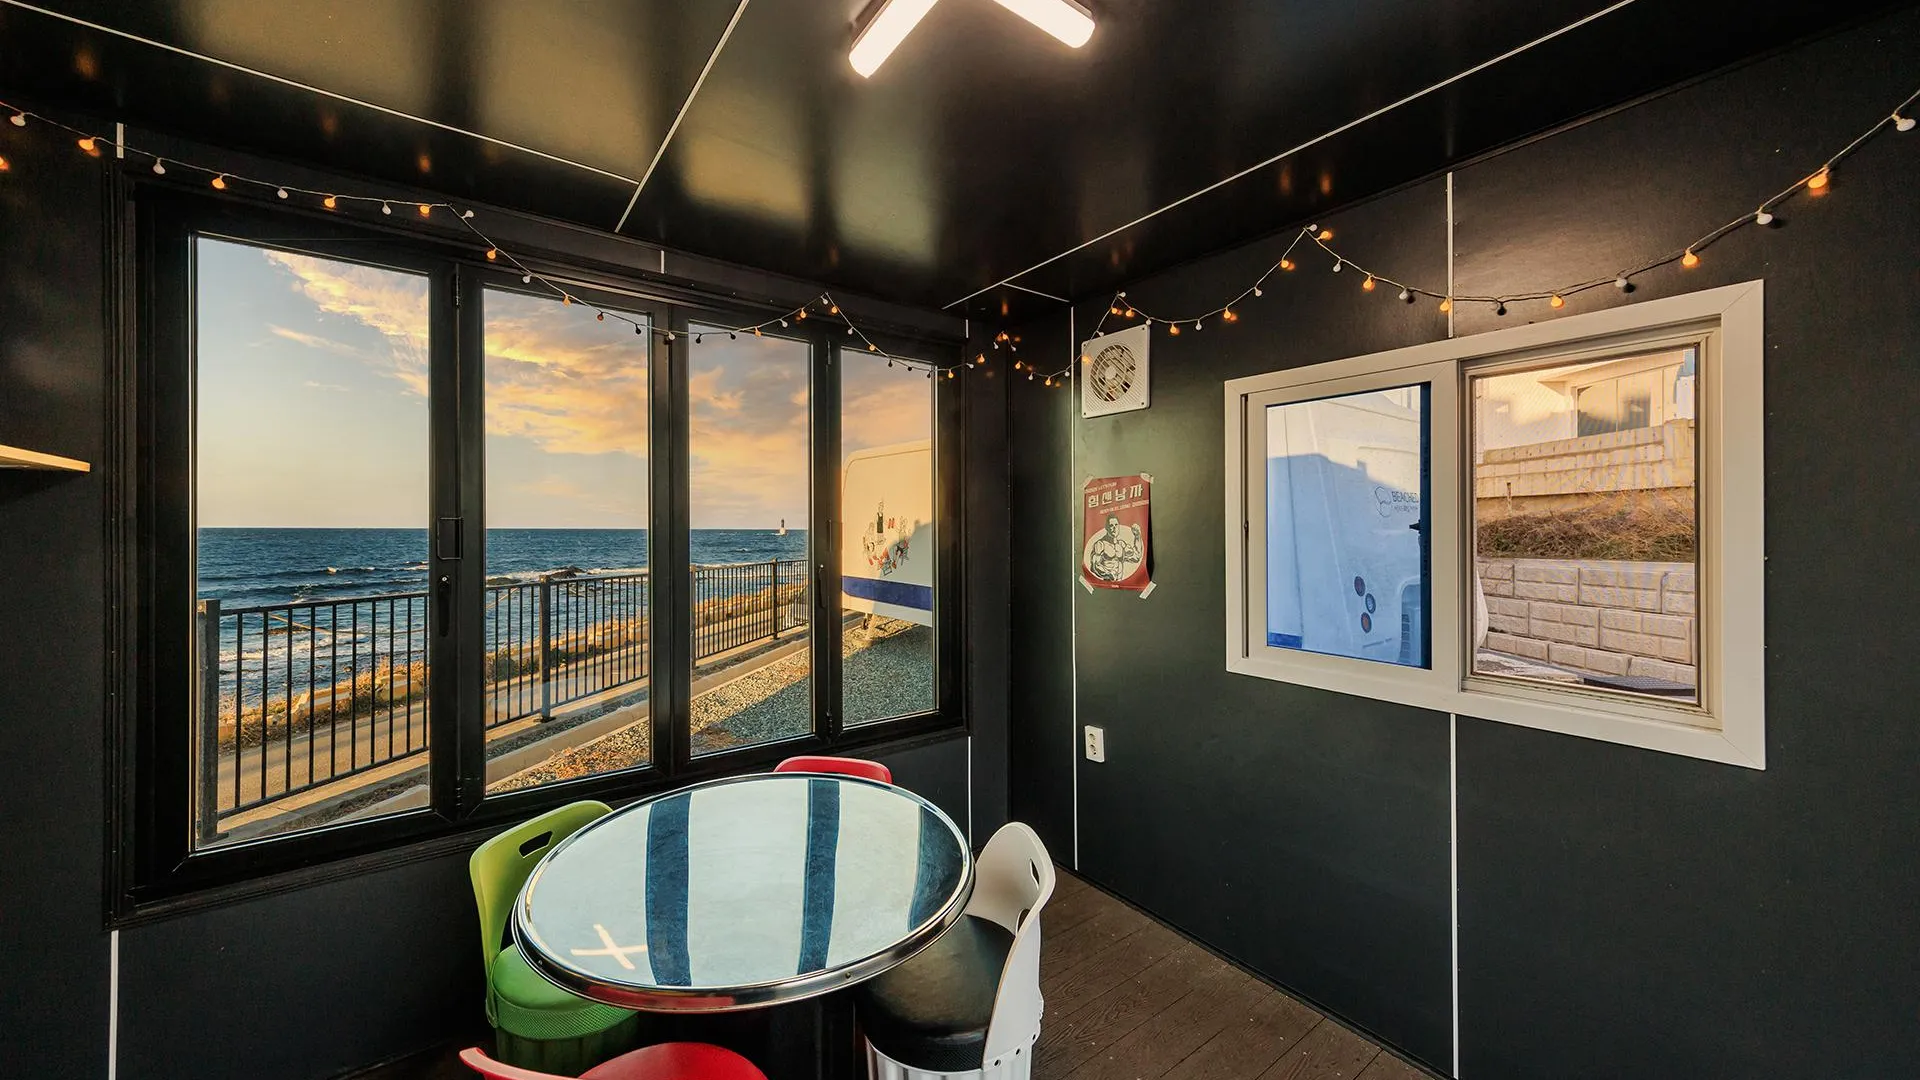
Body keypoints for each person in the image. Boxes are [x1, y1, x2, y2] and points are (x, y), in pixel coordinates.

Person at [1089, 513, 1142, 582]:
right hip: (1106, 583)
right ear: (1106, 528)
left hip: (1120, 583)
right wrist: (1108, 574)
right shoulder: (1101, 544)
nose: (1114, 528)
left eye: (1116, 525)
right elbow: (1094, 566)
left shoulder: (1121, 545)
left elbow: (1137, 557)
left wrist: (1137, 537)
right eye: (1111, 525)